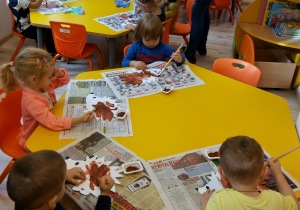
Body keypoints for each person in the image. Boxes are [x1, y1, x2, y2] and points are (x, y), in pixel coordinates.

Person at [0, 48, 95, 150]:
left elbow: (65, 80)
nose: (53, 78)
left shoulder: (41, 86)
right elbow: (53, 123)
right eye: (50, 76)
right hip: (33, 140)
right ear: (34, 79)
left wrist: (59, 73)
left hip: (45, 127)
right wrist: (80, 120)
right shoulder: (33, 102)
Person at [200, 136, 299, 210]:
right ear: (263, 172)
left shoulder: (218, 199)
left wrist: (205, 204)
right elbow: (295, 204)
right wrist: (278, 173)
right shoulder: (276, 199)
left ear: (222, 172)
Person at [7, 150, 114, 210]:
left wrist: (65, 175)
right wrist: (104, 194)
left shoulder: (23, 199)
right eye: (63, 181)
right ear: (52, 201)